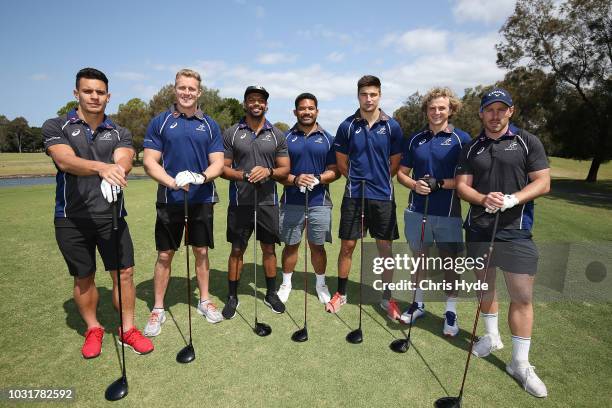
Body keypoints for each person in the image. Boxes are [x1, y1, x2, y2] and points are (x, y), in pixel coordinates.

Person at [42, 68, 153, 358]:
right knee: (84, 277)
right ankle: (94, 328)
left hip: (111, 215)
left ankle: (127, 329)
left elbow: (125, 157)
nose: (94, 96)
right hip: (71, 217)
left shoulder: (119, 131)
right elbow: (65, 160)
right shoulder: (57, 126)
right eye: (88, 91)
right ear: (76, 93)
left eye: (100, 92)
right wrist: (101, 168)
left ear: (108, 96)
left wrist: (118, 167)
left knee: (124, 273)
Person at [455, 88, 550, 397]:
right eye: (489, 110)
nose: (495, 115)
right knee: (485, 287)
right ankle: (491, 336)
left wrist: (512, 199)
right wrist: (484, 198)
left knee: (521, 296)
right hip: (479, 230)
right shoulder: (471, 148)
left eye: (501, 109)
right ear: (481, 113)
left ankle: (520, 364)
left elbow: (542, 182)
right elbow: (461, 187)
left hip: (516, 231)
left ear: (511, 111)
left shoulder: (527, 141)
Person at [142, 69, 225, 336]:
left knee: (201, 251)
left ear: (199, 92)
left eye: (192, 89)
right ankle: (157, 309)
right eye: (182, 88)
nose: (187, 93)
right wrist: (172, 181)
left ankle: (204, 300)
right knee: (165, 254)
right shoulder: (160, 122)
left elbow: (218, 163)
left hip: (202, 198)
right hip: (170, 198)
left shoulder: (210, 124)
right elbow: (149, 161)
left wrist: (200, 177)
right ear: (174, 89)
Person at [396, 87, 472, 335]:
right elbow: (401, 174)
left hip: (447, 213)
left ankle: (451, 311)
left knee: (449, 263)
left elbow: (466, 181)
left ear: (451, 110)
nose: (437, 112)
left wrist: (439, 183)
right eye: (432, 108)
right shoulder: (416, 139)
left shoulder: (462, 139)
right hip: (416, 211)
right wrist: (415, 184)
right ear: (426, 111)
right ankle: (417, 303)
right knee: (419, 260)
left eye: (442, 108)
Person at [327, 75, 403, 314]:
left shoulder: (392, 126)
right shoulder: (347, 125)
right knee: (347, 245)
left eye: (373, 94)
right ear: (358, 95)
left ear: (380, 95)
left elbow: (394, 163)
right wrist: (358, 181)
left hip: (382, 196)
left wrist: (377, 180)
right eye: (364, 94)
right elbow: (341, 163)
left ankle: (387, 297)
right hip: (354, 196)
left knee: (384, 248)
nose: (368, 99)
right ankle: (341, 293)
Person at [221, 86, 290, 319]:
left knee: (269, 249)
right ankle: (232, 297)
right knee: (237, 249)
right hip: (240, 202)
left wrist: (268, 172)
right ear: (245, 104)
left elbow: (285, 169)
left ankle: (271, 293)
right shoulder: (232, 132)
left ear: (266, 105)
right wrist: (245, 174)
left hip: (268, 202)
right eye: (251, 100)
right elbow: (223, 168)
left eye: (260, 100)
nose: (256, 104)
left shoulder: (277, 134)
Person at [277, 93, 339, 304]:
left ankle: (321, 284)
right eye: (302, 108)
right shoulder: (284, 138)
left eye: (310, 108)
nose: (306, 112)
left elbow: (335, 171)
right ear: (296, 112)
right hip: (291, 201)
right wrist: (295, 179)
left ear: (317, 111)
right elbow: (278, 172)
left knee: (317, 246)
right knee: (291, 245)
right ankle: (286, 283)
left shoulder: (328, 139)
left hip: (319, 202)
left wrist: (319, 179)